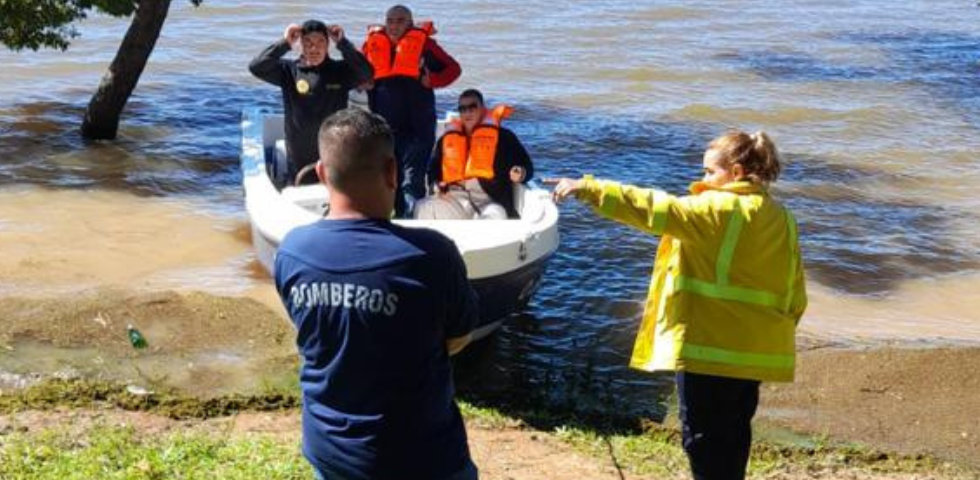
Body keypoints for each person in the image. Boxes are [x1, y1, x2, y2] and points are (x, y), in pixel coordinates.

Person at [546, 130, 807, 480]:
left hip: (708, 350)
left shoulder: (716, 209)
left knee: (702, 442)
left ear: (738, 172)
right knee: (733, 440)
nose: (702, 180)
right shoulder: (782, 218)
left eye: (709, 172)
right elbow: (794, 291)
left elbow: (653, 207)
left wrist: (589, 188)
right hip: (752, 354)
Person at [274, 109, 480, 480]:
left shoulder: (292, 252)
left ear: (321, 173)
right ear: (392, 171)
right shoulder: (432, 255)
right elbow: (460, 337)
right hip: (423, 457)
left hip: (331, 451)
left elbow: (312, 329)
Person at [361, 5, 461, 217]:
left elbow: (454, 69)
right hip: (385, 126)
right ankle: (393, 222)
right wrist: (364, 82)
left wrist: (432, 80)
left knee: (411, 181)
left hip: (419, 127)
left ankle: (412, 225)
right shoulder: (372, 44)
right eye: (390, 20)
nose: (394, 25)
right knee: (388, 178)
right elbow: (357, 71)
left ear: (410, 23)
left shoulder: (425, 45)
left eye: (400, 20)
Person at [249, 20, 373, 188]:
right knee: (301, 195)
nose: (314, 49)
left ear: (328, 44)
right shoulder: (289, 71)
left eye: (320, 42)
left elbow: (367, 72)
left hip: (333, 148)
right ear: (300, 45)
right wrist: (285, 43)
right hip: (298, 151)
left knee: (334, 194)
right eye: (308, 43)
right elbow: (256, 67)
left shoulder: (340, 71)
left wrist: (343, 43)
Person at [416, 89, 534, 220]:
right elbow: (433, 171)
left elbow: (527, 167)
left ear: (482, 109)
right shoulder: (446, 140)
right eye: (462, 109)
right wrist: (436, 184)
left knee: (495, 216)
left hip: (490, 202)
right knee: (423, 207)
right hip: (455, 200)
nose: (467, 112)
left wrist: (520, 173)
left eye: (472, 107)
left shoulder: (504, 138)